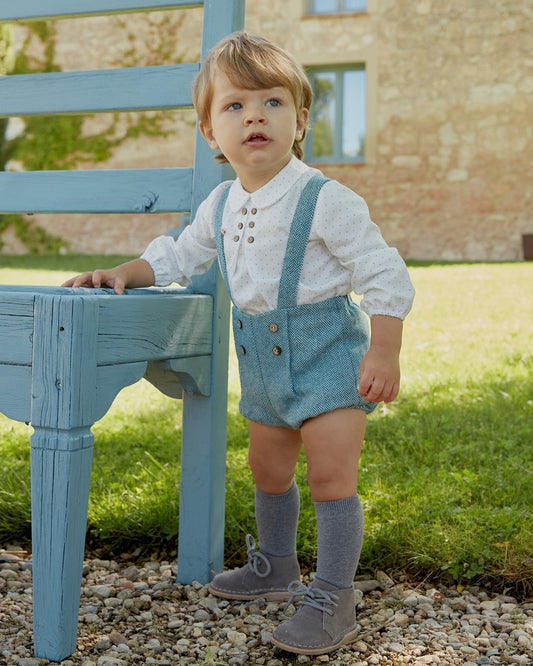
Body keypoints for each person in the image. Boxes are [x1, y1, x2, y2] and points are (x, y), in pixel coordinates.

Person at [63, 32, 415, 656]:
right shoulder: (221, 202)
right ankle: (276, 567)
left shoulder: (325, 199)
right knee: (267, 467)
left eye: (273, 102)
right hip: (261, 361)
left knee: (333, 476)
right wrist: (125, 272)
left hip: (329, 353)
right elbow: (177, 255)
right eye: (235, 106)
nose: (255, 115)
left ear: (300, 119)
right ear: (210, 133)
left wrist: (382, 350)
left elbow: (383, 272)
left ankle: (334, 596)